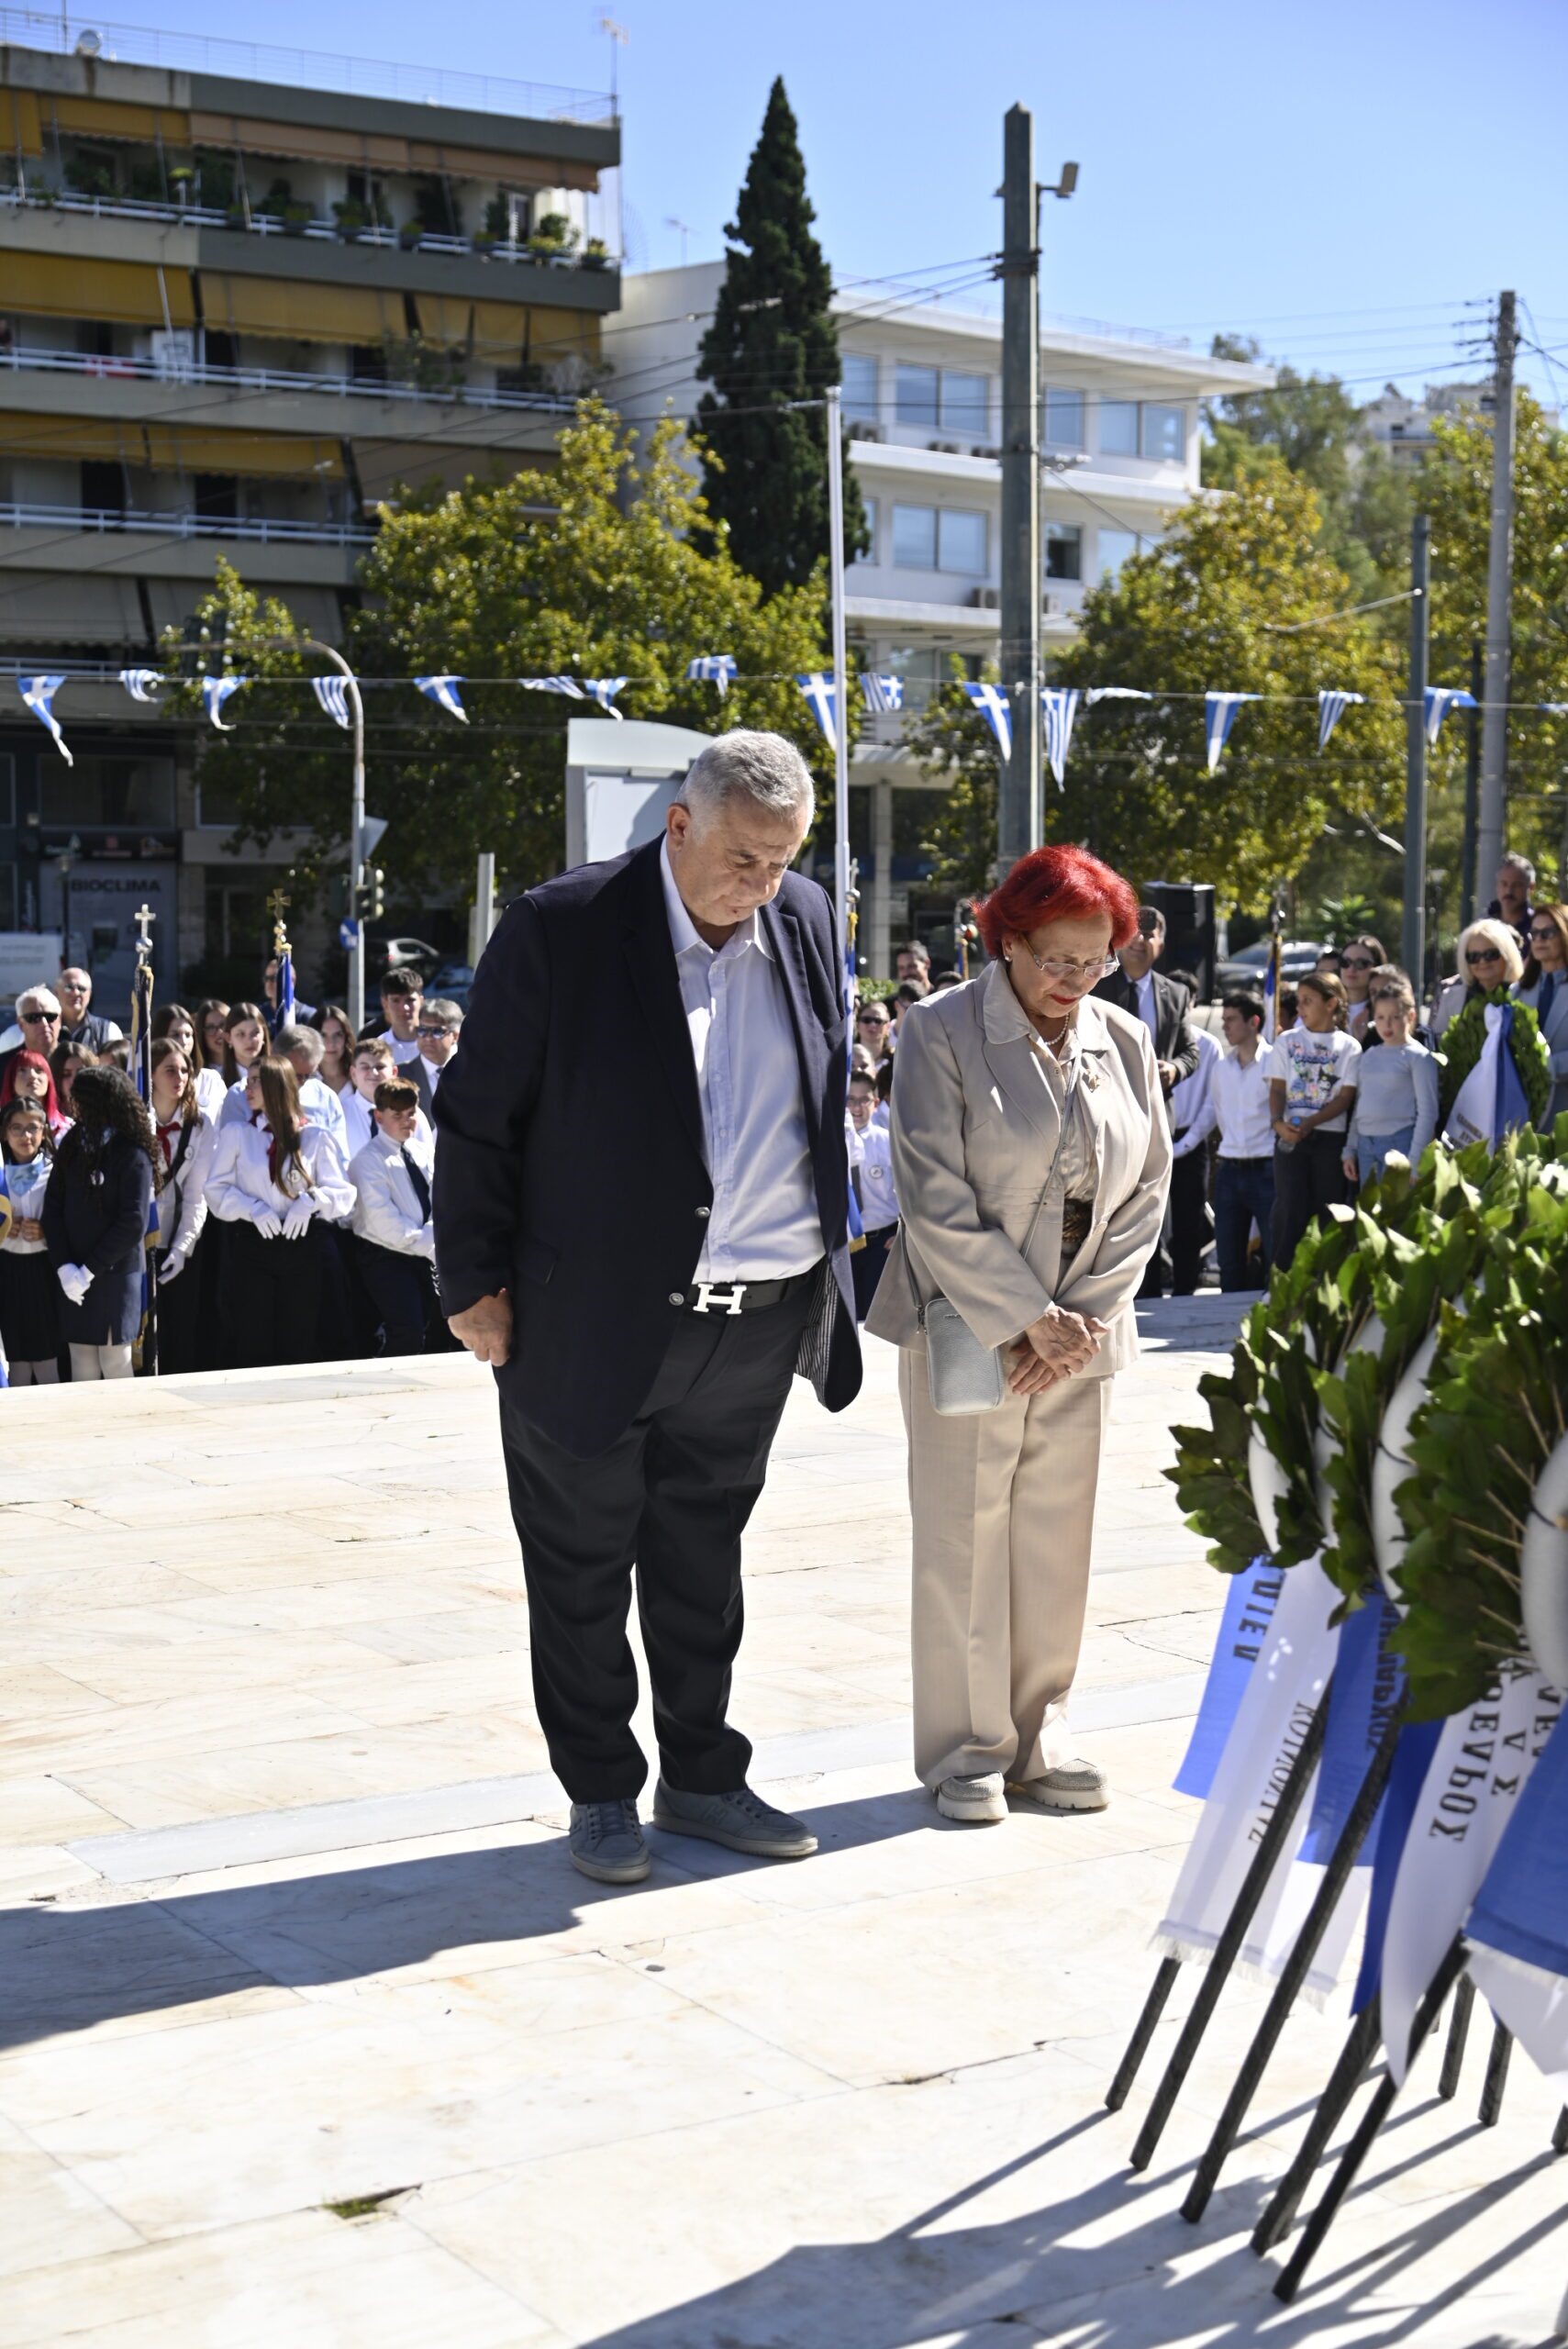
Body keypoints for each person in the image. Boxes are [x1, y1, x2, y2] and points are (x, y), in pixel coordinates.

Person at [434, 729, 860, 1887]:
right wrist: (471, 1282)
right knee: (579, 1566)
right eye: (740, 857)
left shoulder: (805, 919)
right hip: (590, 1314)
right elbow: (477, 1114)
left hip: (757, 1312)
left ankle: (703, 1774)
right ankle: (601, 1791)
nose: (760, 884)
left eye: (780, 861)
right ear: (678, 824)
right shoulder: (563, 926)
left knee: (702, 1562)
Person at [866, 843, 1170, 1824]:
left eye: (1094, 960)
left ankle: (1043, 1733)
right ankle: (967, 1748)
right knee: (963, 1535)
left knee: (1053, 1535)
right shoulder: (938, 1029)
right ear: (1007, 940)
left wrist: (1080, 1320)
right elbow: (930, 1191)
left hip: (1083, 1329)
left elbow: (1148, 1187)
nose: (1074, 979)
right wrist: (1026, 1319)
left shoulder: (1123, 1037)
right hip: (970, 1323)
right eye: (1055, 959)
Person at [206, 1056, 354, 1368]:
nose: (248, 1088)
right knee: (252, 1336)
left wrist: (312, 1200)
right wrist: (252, 1208)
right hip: (253, 1243)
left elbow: (343, 1193)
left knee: (299, 1336)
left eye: (256, 1081)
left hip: (302, 1244)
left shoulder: (314, 1136)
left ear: (277, 1085)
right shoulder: (237, 1134)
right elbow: (215, 1189)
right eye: (247, 1080)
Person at [39, 1064, 157, 1381]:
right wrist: (65, 1267)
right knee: (82, 1360)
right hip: (73, 1271)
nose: (73, 1103)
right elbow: (52, 1210)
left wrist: (88, 1270)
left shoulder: (131, 1153)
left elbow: (133, 1222)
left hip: (113, 1273)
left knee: (114, 1359)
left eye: (80, 1098)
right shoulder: (72, 1144)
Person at [1265, 970, 1361, 1270]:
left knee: (1328, 1209)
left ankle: (1324, 1278)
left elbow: (1344, 1098)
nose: (1300, 1007)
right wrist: (1277, 1123)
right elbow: (1277, 1088)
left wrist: (1311, 1122)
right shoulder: (1287, 1041)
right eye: (1299, 1000)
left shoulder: (1349, 1046)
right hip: (1290, 1135)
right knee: (1289, 1208)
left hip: (1330, 1139)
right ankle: (1281, 1278)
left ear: (1331, 1004)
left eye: (1308, 1000)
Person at [348, 1076, 446, 1354]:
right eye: (397, 1115)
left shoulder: (423, 1152)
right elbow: (382, 1220)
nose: (407, 1121)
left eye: (411, 1113)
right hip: (387, 1257)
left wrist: (433, 1234)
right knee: (407, 1330)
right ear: (379, 1117)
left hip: (427, 1253)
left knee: (435, 1328)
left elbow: (440, 1199)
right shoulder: (368, 1160)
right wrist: (427, 1241)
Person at [146, 1036, 218, 1375]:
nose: (180, 1078)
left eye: (185, 1071)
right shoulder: (137, 1121)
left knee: (181, 1329)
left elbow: (196, 1194)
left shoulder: (200, 1124)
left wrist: (181, 1247)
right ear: (151, 1074)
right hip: (138, 1243)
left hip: (180, 1239)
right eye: (170, 1070)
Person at [1093, 905, 1200, 1123]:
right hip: (1103, 1112)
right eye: (1134, 932)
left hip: (1155, 1115)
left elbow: (1190, 1052)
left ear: (1161, 946)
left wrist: (1174, 1069)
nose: (1140, 939)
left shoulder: (1176, 994)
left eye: (1149, 935)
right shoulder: (1093, 985)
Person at [1207, 995, 1275, 1292]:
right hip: (1229, 1172)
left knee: (1275, 1255)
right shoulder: (1222, 1068)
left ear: (1253, 1021)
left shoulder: (1275, 1061)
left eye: (1231, 1019)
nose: (1225, 1026)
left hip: (1268, 1171)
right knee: (1229, 1259)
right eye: (1223, 1020)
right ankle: (1226, 1317)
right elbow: (1221, 1115)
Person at [1343, 977, 1440, 1186]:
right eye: (1380, 1017)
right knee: (1370, 1207)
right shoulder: (1368, 1055)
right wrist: (1350, 1149)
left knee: (1397, 1207)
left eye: (1395, 1017)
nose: (1387, 1024)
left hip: (1400, 1144)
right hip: (1365, 1146)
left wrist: (1415, 1160)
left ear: (1411, 1016)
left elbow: (1428, 1112)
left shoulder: (1419, 1057)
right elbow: (1360, 1106)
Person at [0, 1098, 59, 1383]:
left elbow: (69, 1218)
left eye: (33, 1128)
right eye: (17, 1128)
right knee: (16, 1357)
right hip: (7, 1269)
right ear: (4, 1132)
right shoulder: (0, 1172)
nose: (25, 1136)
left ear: (44, 1131)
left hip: (44, 1269)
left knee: (46, 1354)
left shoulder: (55, 1171)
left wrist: (46, 1230)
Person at [1164, 1019, 1221, 1295]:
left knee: (1189, 1220)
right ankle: (1147, 1289)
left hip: (1191, 1140)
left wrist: (1185, 1144)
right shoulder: (1150, 1034)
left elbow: (1213, 1102)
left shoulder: (1209, 1045)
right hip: (1152, 1135)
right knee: (1145, 1219)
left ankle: (1185, 1288)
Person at [847, 1066, 898, 1319]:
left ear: (875, 1103)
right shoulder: (833, 1141)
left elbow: (908, 1192)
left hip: (882, 1242)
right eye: (850, 1099)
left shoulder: (887, 1141)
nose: (857, 1107)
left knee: (876, 1316)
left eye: (864, 1100)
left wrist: (903, 1231)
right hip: (845, 1242)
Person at [1516, 903, 1568, 1128]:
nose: (1539, 940)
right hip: (1526, 1117)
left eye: (1547, 933)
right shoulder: (1517, 992)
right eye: (1534, 934)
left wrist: (1545, 1066)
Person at [1429, 917, 1525, 1038]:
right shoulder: (1450, 998)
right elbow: (1438, 1043)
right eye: (1474, 956)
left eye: (1490, 954)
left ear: (1507, 955)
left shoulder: (1526, 995)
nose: (1482, 961)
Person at [341, 1036, 433, 1160]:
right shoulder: (339, 1112)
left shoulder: (412, 1114)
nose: (373, 1073)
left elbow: (428, 1159)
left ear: (394, 1072)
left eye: (380, 1067)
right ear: (353, 1073)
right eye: (365, 1067)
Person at [274, 1023, 349, 1152]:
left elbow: (340, 1154)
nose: (302, 1082)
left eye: (308, 1075)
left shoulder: (326, 1097)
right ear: (275, 1057)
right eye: (296, 1075)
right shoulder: (246, 1094)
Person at [152, 1003, 228, 1119]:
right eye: (175, 1035)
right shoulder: (146, 1082)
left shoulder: (210, 1080)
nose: (183, 1041)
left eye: (188, 1035)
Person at [2, 1048, 70, 1139]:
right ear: (11, 1080)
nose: (32, 1075)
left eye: (39, 1070)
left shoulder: (69, 1128)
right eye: (22, 1070)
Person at [0, 984, 62, 1077]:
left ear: (60, 1020)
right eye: (34, 1018)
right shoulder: (4, 1066)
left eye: (50, 1017)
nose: (44, 1023)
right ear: (21, 1025)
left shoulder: (75, 1061)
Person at [217, 1001, 271, 1111]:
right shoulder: (218, 1079)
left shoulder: (277, 1074)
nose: (249, 1041)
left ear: (264, 1034)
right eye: (240, 1034)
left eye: (255, 1033)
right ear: (228, 1038)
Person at [366, 967, 425, 1066]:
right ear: (384, 1003)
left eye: (410, 1000)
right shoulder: (374, 1049)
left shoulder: (435, 1043)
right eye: (396, 1000)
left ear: (421, 1001)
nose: (405, 1007)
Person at [56, 966, 123, 1052]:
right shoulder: (46, 1028)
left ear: (90, 994)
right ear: (56, 992)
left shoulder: (108, 1030)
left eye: (81, 988)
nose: (75, 993)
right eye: (69, 987)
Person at [1340, 935, 1387, 1041]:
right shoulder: (1327, 1006)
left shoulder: (1387, 1011)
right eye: (1346, 962)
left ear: (1377, 967)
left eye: (1361, 963)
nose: (1351, 968)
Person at [416, 998, 463, 1097]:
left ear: (455, 1036)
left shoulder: (471, 1070)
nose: (428, 1038)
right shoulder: (400, 1075)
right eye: (422, 1030)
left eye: (437, 1031)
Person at [1489, 851, 1536, 949]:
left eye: (1517, 885)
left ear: (1531, 888)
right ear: (1497, 886)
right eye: (1504, 884)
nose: (1509, 891)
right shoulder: (1484, 927)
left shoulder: (1539, 929)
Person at [317, 1006, 357, 1096]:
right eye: (323, 1035)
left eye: (338, 1035)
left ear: (346, 1038)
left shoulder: (360, 1077)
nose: (331, 1043)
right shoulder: (303, 1080)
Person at [193, 998, 230, 1078]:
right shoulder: (196, 1073)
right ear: (201, 1033)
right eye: (210, 1027)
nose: (219, 1032)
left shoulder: (249, 1065)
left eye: (223, 1024)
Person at [854, 996, 895, 1063]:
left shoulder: (896, 1061)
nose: (872, 1025)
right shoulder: (845, 1059)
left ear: (888, 1027)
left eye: (878, 1021)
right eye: (866, 1020)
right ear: (857, 1024)